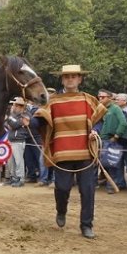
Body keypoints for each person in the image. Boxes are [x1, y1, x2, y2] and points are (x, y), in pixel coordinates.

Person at [34, 65, 107, 239]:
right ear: (62, 79)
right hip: (63, 152)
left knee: (87, 190)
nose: (70, 79)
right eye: (67, 77)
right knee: (62, 187)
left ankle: (86, 225)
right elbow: (40, 120)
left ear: (80, 79)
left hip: (86, 153)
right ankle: (61, 210)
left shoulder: (88, 99)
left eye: (74, 76)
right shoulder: (52, 101)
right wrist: (29, 122)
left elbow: (98, 118)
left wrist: (95, 129)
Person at [97, 89, 127, 194]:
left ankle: (112, 186)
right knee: (102, 163)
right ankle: (106, 184)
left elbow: (123, 122)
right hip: (100, 139)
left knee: (111, 163)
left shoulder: (115, 108)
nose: (100, 98)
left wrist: (116, 135)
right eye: (99, 97)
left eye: (103, 97)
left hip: (110, 139)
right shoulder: (100, 109)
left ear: (109, 98)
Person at [5, 97, 30, 187]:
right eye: (15, 105)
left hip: (19, 140)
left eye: (16, 105)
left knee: (19, 161)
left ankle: (20, 178)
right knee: (11, 161)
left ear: (21, 106)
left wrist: (10, 121)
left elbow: (14, 125)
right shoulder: (14, 115)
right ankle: (14, 177)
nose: (14, 107)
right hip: (11, 140)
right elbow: (7, 124)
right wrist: (11, 121)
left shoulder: (25, 115)